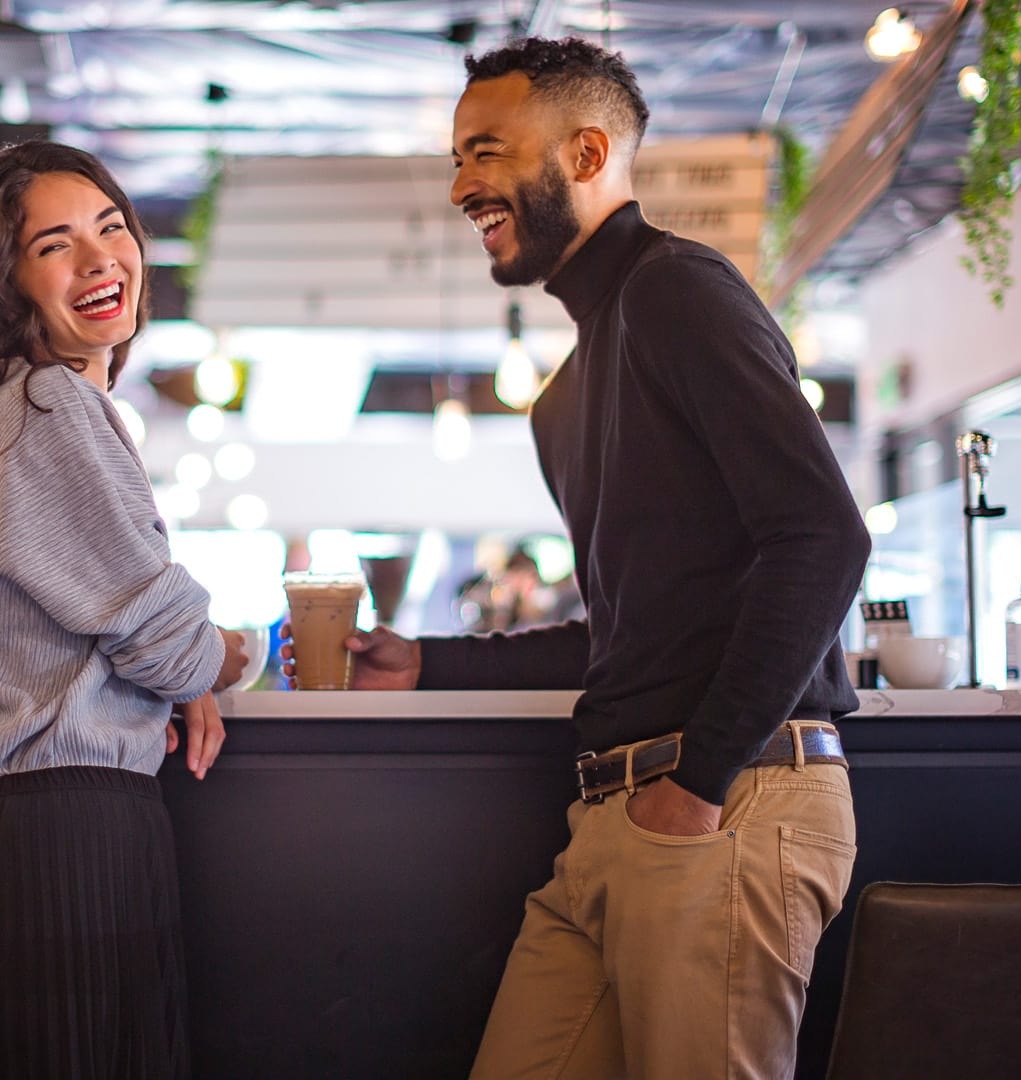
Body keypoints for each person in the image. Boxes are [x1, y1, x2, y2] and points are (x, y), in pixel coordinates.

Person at [290, 37, 871, 1078]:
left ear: (589, 152)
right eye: (457, 159)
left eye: (487, 152)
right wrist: (428, 662)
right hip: (616, 815)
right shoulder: (564, 396)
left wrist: (695, 784)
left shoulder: (678, 291)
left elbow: (824, 537)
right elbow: (632, 632)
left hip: (723, 803)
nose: (462, 184)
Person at [0, 141, 248, 1078]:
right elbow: (172, 641)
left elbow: (125, 638)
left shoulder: (27, 410)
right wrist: (222, 655)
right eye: (54, 246)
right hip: (63, 853)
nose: (100, 258)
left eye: (111, 227)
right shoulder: (45, 405)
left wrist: (169, 678)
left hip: (63, 842)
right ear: (8, 285)